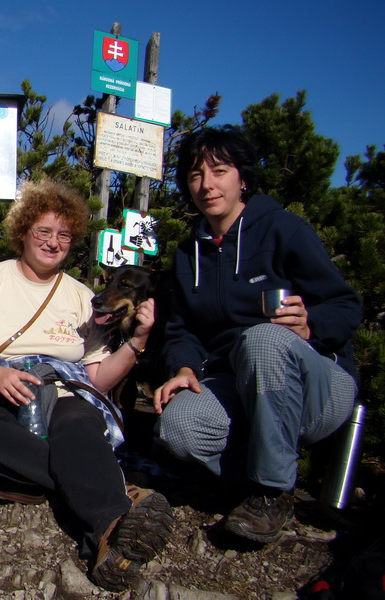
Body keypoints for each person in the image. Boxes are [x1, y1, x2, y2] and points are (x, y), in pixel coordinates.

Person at [0, 179, 173, 592]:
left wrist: (137, 341)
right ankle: (110, 487)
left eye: (64, 235)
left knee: (78, 422)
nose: (53, 243)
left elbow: (99, 377)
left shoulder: (82, 296)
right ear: (23, 232)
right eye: (44, 231)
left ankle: (106, 530)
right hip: (1, 389)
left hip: (64, 390)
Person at [153, 127, 362, 543]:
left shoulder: (282, 228)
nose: (207, 184)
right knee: (177, 428)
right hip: (235, 383)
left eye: (220, 170)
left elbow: (346, 305)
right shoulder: (187, 253)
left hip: (315, 385)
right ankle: (257, 475)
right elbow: (183, 329)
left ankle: (271, 493)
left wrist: (311, 325)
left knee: (263, 339)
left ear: (242, 178)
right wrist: (182, 367)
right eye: (195, 175)